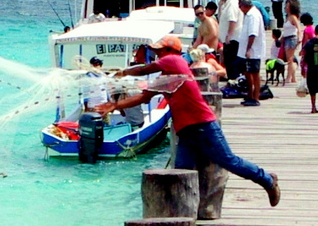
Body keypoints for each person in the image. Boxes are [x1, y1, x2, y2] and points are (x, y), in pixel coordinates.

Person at [93, 35, 279, 206]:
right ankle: (180, 211)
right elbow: (143, 98)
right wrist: (114, 106)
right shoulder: (166, 79)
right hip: (186, 130)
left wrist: (124, 72)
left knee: (229, 161)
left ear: (171, 51)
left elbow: (145, 69)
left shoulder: (175, 60)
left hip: (202, 125)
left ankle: (267, 180)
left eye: (161, 50)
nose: (157, 54)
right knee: (180, 172)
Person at [238, 0, 267, 106]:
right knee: (247, 72)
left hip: (253, 50)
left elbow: (253, 33)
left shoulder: (253, 15)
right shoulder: (249, 14)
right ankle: (250, 95)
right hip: (247, 49)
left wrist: (249, 49)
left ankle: (256, 97)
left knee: (254, 73)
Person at [216, 0, 241, 78]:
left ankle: (233, 80)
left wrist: (229, 35)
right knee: (228, 61)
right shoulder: (226, 4)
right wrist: (220, 6)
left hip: (232, 39)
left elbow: (232, 20)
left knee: (232, 62)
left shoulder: (232, 3)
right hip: (228, 39)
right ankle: (231, 79)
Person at [278, 0, 301, 86]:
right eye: (286, 6)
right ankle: (293, 77)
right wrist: (281, 38)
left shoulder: (293, 17)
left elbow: (299, 28)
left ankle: (288, 77)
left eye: (288, 6)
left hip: (292, 39)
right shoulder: (287, 17)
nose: (286, 8)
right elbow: (286, 30)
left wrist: (299, 38)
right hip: (286, 38)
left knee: (290, 59)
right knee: (290, 59)